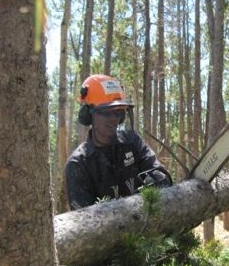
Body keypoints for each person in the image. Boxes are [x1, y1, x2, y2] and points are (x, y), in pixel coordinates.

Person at [65, 74, 172, 210]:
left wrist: (156, 181)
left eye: (118, 113)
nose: (114, 119)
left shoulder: (132, 142)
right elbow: (83, 220)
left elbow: (159, 173)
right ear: (89, 114)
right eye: (106, 113)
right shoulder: (78, 164)